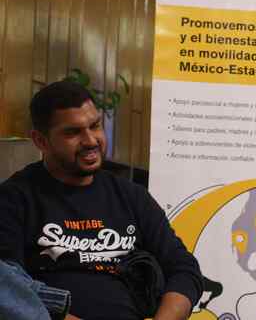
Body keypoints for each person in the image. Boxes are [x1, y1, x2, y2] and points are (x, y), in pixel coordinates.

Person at [0, 80, 203, 320]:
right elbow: (11, 291)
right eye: (73, 132)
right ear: (41, 141)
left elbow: (184, 270)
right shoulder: (14, 198)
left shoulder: (131, 196)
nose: (91, 140)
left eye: (95, 126)